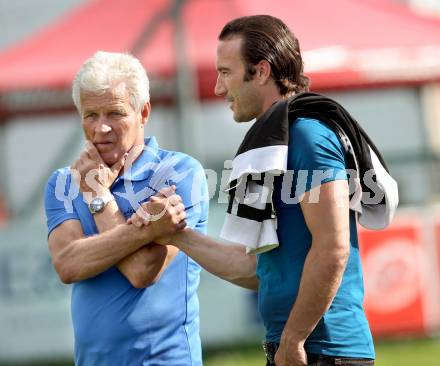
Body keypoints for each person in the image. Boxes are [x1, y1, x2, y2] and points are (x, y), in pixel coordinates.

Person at [131, 15, 386, 366]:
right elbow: (255, 268)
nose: (219, 88)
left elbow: (333, 248)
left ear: (262, 71)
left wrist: (294, 338)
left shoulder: (307, 136)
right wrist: (176, 236)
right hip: (294, 348)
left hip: (324, 351)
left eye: (226, 72)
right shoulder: (274, 144)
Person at [44, 51, 209, 365]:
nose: (101, 128)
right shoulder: (61, 183)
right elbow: (67, 264)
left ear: (143, 112)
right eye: (91, 115)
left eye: (114, 113)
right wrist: (141, 233)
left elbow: (142, 270)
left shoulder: (180, 172)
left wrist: (97, 195)